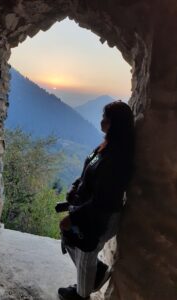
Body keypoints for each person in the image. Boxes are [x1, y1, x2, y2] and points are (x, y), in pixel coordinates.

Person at [58, 100, 135, 300]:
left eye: (106, 119)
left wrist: (74, 217)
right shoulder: (105, 146)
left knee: (85, 254)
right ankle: (97, 272)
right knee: (72, 241)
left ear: (116, 124)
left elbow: (103, 201)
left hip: (101, 217)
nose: (102, 122)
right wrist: (74, 187)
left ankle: (81, 295)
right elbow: (87, 171)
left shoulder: (116, 158)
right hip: (88, 211)